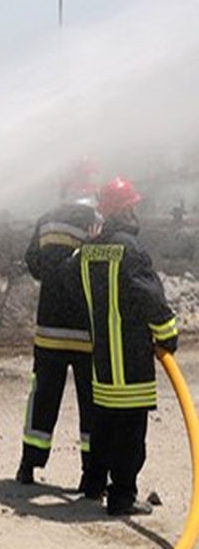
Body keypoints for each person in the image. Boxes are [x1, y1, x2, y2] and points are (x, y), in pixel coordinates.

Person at [73, 176, 179, 515]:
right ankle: (121, 497)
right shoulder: (131, 251)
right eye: (132, 206)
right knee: (130, 437)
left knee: (102, 428)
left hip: (103, 364)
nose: (137, 211)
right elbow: (150, 299)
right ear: (122, 211)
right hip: (130, 363)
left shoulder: (88, 251)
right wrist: (167, 335)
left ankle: (93, 485)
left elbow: (71, 285)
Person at [16, 162, 101, 488]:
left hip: (49, 331)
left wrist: (52, 281)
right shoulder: (97, 221)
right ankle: (90, 475)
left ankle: (28, 466)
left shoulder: (46, 219)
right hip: (85, 334)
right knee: (91, 403)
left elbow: (33, 263)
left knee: (43, 399)